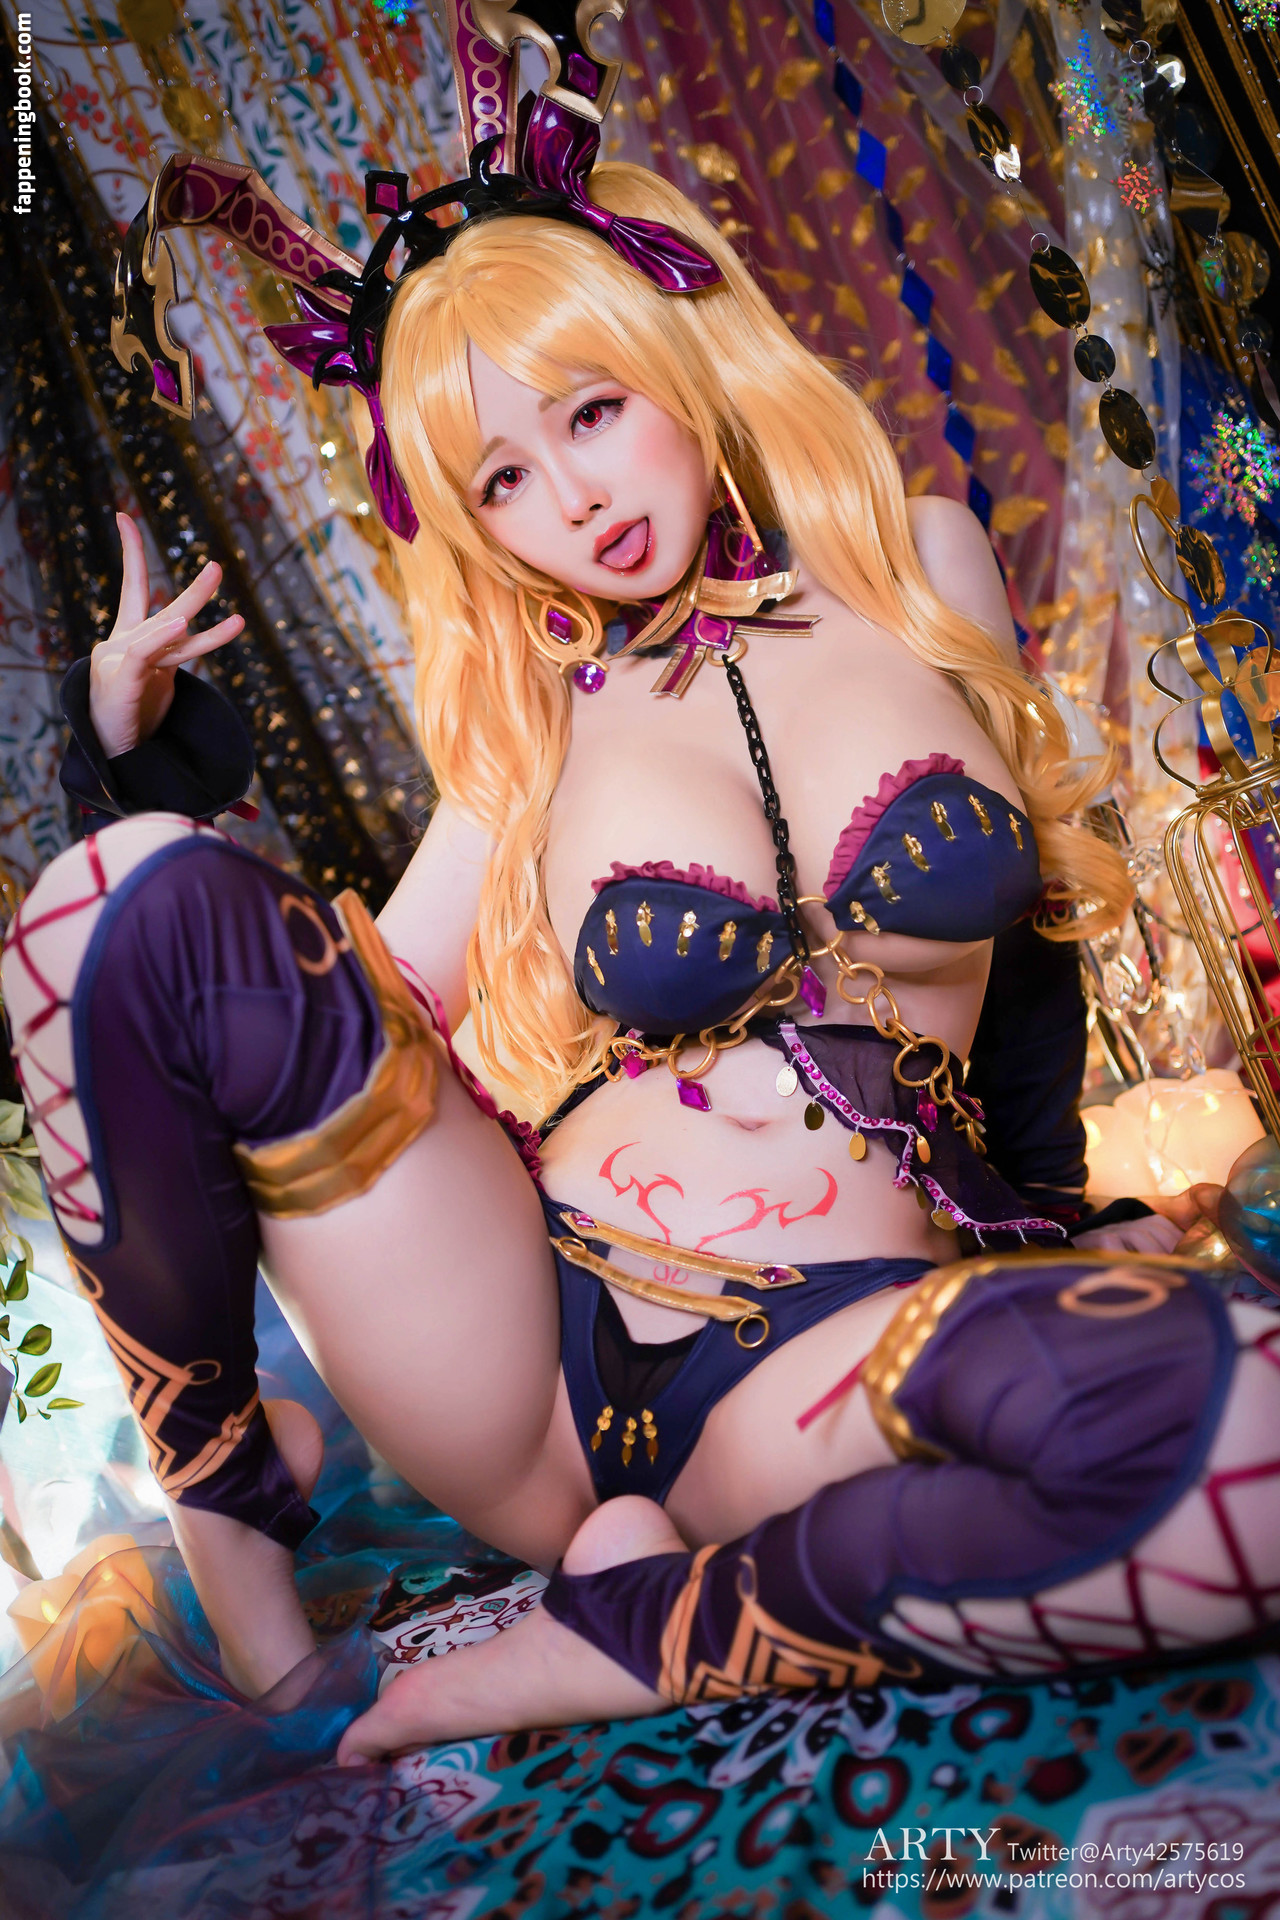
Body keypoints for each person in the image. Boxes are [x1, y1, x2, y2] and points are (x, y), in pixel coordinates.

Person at [3, 2, 1277, 1771]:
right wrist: (127, 761)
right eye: (503, 483)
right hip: (525, 1343)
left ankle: (638, 1629)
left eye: (591, 413)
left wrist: (1050, 1218)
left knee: (1248, 1443)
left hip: (823, 1335)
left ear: (675, 352)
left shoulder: (914, 563)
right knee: (118, 895)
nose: (574, 505)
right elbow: (350, 1010)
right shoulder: (531, 717)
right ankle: (244, 1559)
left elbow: (1033, 942)